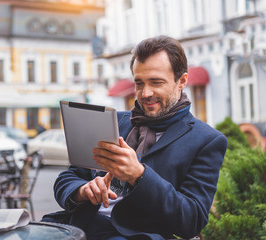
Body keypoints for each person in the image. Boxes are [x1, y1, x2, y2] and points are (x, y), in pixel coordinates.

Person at [42, 35, 228, 240]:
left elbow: (191, 221)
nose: (145, 93)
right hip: (80, 227)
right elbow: (67, 178)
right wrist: (83, 190)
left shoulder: (206, 140)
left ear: (182, 81)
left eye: (156, 82)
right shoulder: (113, 122)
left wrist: (139, 175)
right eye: (139, 83)